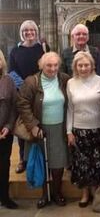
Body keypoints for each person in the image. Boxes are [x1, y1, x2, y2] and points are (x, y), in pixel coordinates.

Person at [17, 52, 69, 208]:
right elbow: (23, 104)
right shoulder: (32, 81)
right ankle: (44, 194)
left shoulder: (64, 79)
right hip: (40, 128)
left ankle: (57, 192)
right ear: (41, 65)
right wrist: (33, 125)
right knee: (42, 162)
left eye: (55, 65)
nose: (52, 68)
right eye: (48, 65)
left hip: (60, 128)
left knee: (58, 164)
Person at [66, 51, 100, 208]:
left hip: (99, 128)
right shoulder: (70, 83)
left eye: (86, 65)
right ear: (75, 66)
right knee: (82, 163)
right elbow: (70, 109)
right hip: (79, 130)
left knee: (98, 163)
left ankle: (97, 192)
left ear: (92, 65)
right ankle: (85, 193)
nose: (83, 68)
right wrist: (69, 131)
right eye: (80, 65)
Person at [9, 20, 49, 174]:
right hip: (24, 93)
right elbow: (12, 72)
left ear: (36, 32)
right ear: (22, 33)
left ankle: (43, 157)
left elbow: (47, 68)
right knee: (24, 126)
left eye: (32, 30)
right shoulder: (15, 51)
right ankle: (22, 159)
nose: (29, 33)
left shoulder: (43, 48)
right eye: (26, 31)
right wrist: (26, 87)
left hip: (41, 91)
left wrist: (37, 85)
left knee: (40, 125)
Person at [0, 50, 18, 209]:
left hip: (4, 131)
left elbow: (14, 106)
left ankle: (4, 197)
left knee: (4, 165)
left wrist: (8, 126)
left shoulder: (8, 80)